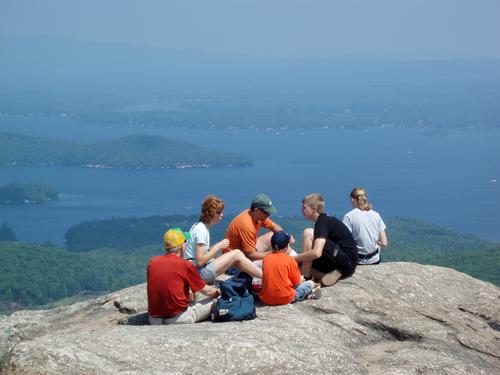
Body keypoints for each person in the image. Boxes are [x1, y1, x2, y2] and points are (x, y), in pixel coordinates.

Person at [147, 227, 220, 325]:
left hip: (154, 320)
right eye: (185, 241)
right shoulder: (185, 264)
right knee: (217, 300)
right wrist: (219, 292)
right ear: (182, 246)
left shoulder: (152, 262)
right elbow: (206, 291)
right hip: (179, 318)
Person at [184, 195, 263, 283]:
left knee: (234, 256)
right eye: (219, 212)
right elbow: (200, 261)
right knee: (236, 253)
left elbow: (197, 252)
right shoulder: (201, 230)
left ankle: (251, 273)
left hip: (193, 271)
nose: (222, 214)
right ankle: (266, 276)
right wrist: (218, 246)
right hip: (198, 274)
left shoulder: (197, 226)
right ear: (212, 213)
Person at [294, 194, 358, 287]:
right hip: (346, 262)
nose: (301, 210)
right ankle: (324, 275)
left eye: (304, 207)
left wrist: (294, 258)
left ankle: (305, 277)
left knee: (308, 233)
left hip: (346, 261)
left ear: (314, 208)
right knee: (301, 264)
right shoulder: (325, 220)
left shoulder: (322, 222)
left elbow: (316, 253)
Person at [225, 193, 295, 261]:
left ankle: (294, 257)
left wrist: (286, 236)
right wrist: (276, 254)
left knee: (276, 235)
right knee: (276, 259)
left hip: (246, 251)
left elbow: (274, 226)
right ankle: (294, 260)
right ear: (256, 210)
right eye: (266, 212)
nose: (268, 214)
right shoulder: (247, 225)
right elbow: (250, 255)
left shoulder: (256, 216)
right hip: (236, 260)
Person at [259, 231, 320, 305]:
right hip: (285, 299)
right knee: (310, 283)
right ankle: (307, 293)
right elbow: (296, 282)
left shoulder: (266, 258)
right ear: (286, 247)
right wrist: (301, 279)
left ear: (272, 245)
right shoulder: (290, 259)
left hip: (266, 299)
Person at [342, 187, 388, 265]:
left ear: (352, 200)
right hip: (375, 260)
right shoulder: (376, 215)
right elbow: (384, 243)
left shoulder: (349, 217)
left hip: (358, 260)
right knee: (377, 244)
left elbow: (345, 241)